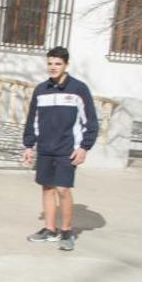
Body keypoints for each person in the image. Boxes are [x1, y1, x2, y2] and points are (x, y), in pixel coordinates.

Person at [21, 46, 98, 252]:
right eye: (50, 63)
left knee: (63, 189)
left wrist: (84, 147)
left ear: (66, 65)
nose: (53, 67)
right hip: (45, 148)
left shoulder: (78, 89)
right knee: (47, 187)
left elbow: (89, 120)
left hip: (67, 149)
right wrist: (29, 145)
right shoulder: (41, 90)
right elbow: (32, 120)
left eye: (58, 64)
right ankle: (49, 229)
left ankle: (66, 231)